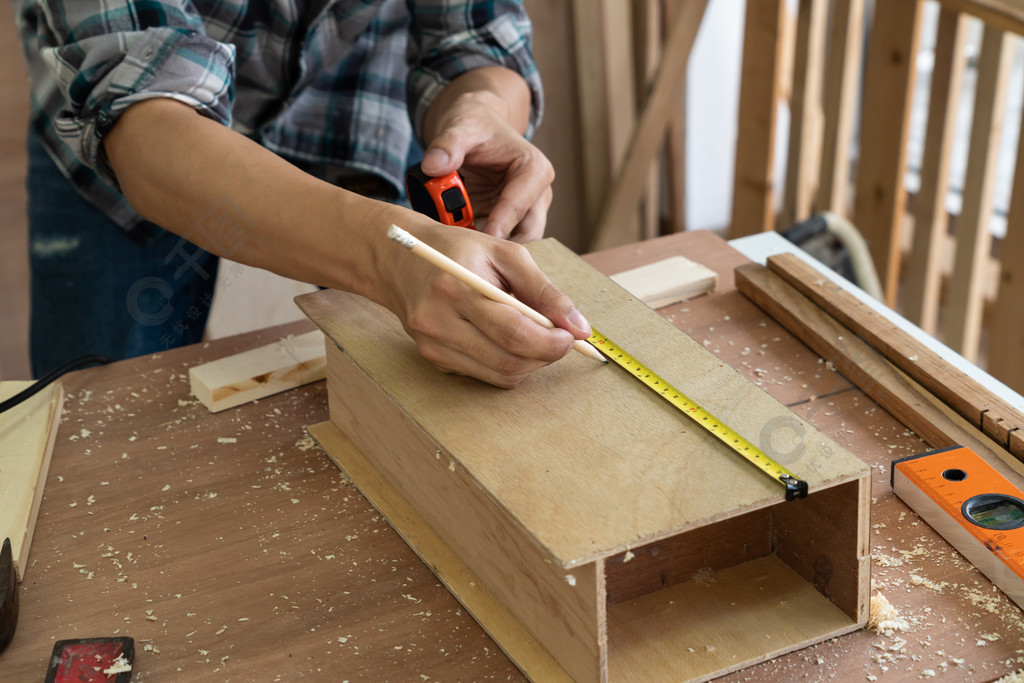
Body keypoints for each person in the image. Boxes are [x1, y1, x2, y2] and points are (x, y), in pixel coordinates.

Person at [14, 0, 593, 388]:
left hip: (350, 102)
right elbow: (143, 121)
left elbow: (473, 35)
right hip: (125, 129)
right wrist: (385, 256)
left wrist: (482, 109)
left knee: (406, 383)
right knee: (99, 421)